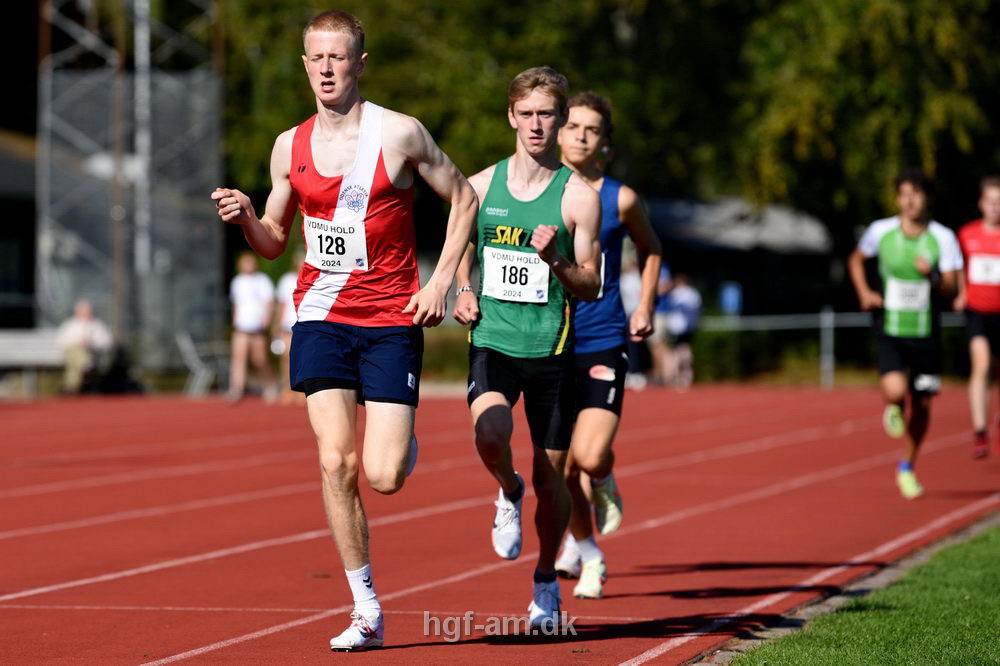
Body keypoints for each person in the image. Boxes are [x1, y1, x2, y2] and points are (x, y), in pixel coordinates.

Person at [211, 10, 477, 651]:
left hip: (390, 319)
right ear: (304, 64)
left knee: (383, 475)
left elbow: (464, 198)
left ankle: (404, 445)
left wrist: (443, 281)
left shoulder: (400, 135)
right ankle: (366, 608)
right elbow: (275, 242)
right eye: (316, 58)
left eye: (338, 57)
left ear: (360, 63)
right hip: (321, 315)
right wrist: (249, 216)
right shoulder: (287, 146)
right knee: (336, 461)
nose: (326, 69)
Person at [452, 66, 602, 627]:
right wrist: (463, 287)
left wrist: (556, 261)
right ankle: (505, 489)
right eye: (527, 114)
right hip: (492, 339)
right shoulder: (480, 187)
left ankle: (545, 581)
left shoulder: (579, 199)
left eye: (547, 114)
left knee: (554, 480)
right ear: (510, 116)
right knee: (490, 434)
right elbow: (458, 248)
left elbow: (592, 285)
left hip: (553, 352)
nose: (537, 125)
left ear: (560, 120)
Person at [549, 91, 662, 600]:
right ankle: (588, 552)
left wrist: (646, 307)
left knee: (590, 458)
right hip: (550, 341)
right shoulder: (541, 190)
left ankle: (607, 477)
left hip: (602, 335)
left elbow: (652, 248)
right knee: (560, 467)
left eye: (591, 130)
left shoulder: (621, 199)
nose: (579, 135)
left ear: (605, 145)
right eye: (572, 125)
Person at [847, 168, 962, 499]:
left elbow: (951, 286)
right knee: (897, 390)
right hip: (890, 324)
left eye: (916, 194)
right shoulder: (880, 231)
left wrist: (934, 274)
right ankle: (893, 404)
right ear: (897, 198)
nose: (909, 201)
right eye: (903, 194)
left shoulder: (943, 238)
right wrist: (865, 292)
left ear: (927, 197)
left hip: (926, 330)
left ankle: (907, 468)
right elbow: (856, 260)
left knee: (923, 405)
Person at [956, 176, 1000, 458]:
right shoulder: (967, 235)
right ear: (981, 204)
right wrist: (961, 293)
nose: (996, 207)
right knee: (981, 366)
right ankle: (980, 430)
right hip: (977, 312)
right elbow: (958, 266)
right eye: (991, 202)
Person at [227, 252, 278, 403]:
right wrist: (234, 320)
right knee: (238, 358)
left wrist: (267, 319)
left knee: (260, 359)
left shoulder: (262, 281)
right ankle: (236, 389)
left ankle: (270, 384)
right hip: (241, 327)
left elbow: (270, 302)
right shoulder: (237, 281)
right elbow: (236, 303)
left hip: (257, 328)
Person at [55, 299, 112, 393]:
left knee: (75, 364)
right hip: (71, 353)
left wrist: (91, 343)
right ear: (77, 312)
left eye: (87, 311)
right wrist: (78, 342)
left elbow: (106, 342)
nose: (85, 314)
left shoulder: (97, 325)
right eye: (82, 311)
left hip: (92, 353)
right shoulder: (70, 325)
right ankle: (85, 364)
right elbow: (61, 341)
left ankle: (72, 387)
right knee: (77, 352)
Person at [273, 249, 306, 406]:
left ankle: (301, 390)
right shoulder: (287, 280)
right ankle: (286, 388)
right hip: (288, 326)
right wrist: (276, 326)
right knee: (285, 359)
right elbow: (282, 305)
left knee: (302, 359)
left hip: (305, 326)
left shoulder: (312, 279)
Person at [661, 273, 701, 389]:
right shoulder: (694, 293)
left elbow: (672, 308)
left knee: (676, 351)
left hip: (677, 326)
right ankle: (686, 375)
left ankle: (675, 376)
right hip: (689, 326)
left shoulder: (677, 293)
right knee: (685, 348)